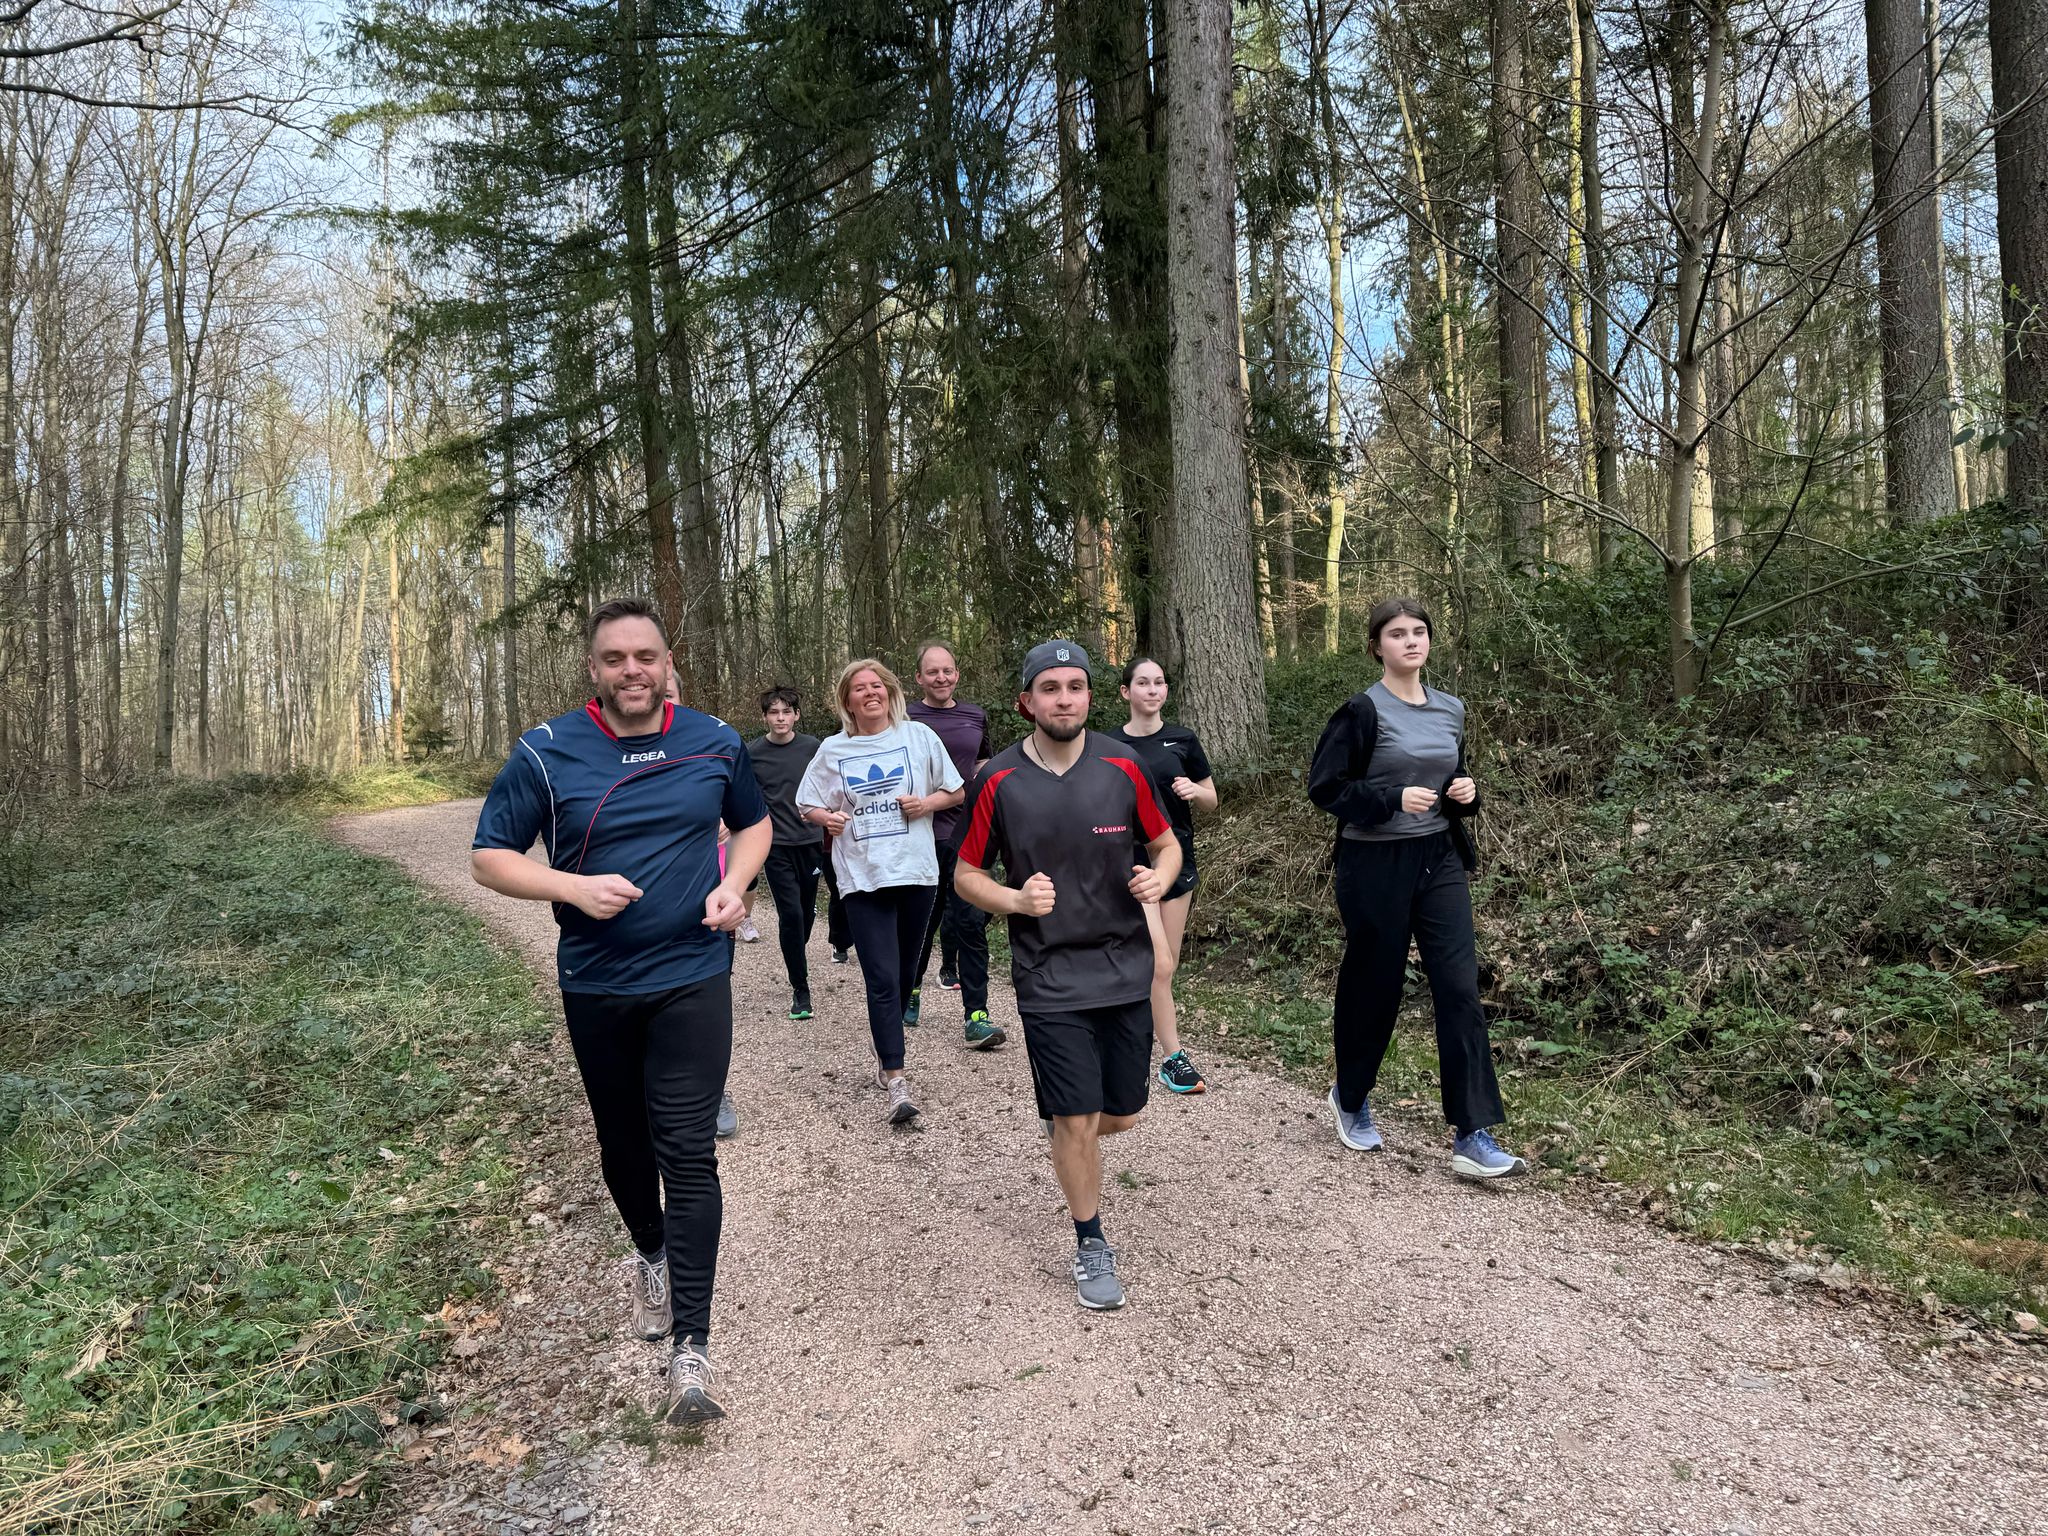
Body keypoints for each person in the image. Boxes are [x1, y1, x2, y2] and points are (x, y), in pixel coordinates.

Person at [470, 597, 770, 1424]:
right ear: (593, 669)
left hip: (692, 975)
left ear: (668, 664)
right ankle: (650, 1251)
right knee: (624, 1145)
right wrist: (571, 887)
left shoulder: (715, 740)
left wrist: (734, 885)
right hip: (596, 983)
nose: (632, 671)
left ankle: (692, 1350)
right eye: (615, 659)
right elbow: (489, 858)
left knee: (689, 1152)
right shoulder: (547, 751)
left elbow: (752, 826)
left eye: (645, 657)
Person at [954, 641, 1180, 1310]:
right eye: (1049, 688)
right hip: (1048, 972)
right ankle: (1090, 1240)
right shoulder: (998, 778)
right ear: (1026, 701)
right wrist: (1016, 900)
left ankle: (1066, 1127)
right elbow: (966, 875)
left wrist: (1157, 878)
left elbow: (1166, 845)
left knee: (1123, 1114)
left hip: (1124, 965)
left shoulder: (1124, 765)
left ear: (1089, 696)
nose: (1063, 698)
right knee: (1078, 1119)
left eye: (1074, 686)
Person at [1306, 595, 1524, 1180]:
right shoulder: (1361, 711)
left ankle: (1472, 1133)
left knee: (1459, 987)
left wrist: (1466, 793)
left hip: (1439, 858)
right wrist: (1390, 799)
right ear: (1376, 646)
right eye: (1397, 633)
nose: (1410, 641)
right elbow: (1325, 788)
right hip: (1374, 863)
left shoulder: (1451, 709)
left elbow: (1454, 776)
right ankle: (1351, 1096)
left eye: (1419, 632)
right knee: (1374, 985)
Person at [796, 658, 964, 1124]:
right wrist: (826, 818)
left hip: (916, 871)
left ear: (890, 692)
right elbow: (806, 802)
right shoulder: (833, 749)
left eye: (876, 685)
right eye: (859, 688)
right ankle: (896, 1077)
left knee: (906, 972)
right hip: (862, 876)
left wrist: (926, 803)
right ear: (847, 701)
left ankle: (884, 1046)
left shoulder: (919, 737)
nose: (870, 692)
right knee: (882, 979)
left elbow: (955, 791)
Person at [1109, 657, 1216, 1095]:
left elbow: (1211, 799)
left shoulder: (1183, 739)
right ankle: (1172, 1056)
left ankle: (1136, 1037)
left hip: (1178, 861)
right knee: (1160, 962)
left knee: (1163, 967)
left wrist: (1195, 791)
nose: (1152, 690)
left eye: (1159, 683)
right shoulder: (1109, 745)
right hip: (1133, 864)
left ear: (1166, 691)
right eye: (1143, 683)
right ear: (1126, 692)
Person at [905, 640, 1004, 1050]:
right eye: (932, 672)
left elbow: (982, 764)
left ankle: (976, 1015)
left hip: (969, 833)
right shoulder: (905, 717)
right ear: (919, 678)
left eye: (947, 670)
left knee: (970, 923)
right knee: (922, 921)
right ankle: (910, 991)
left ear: (957, 675)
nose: (941, 678)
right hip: (920, 833)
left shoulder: (974, 715)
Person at [746, 687, 826, 1022]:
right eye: (774, 712)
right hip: (775, 845)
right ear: (765, 716)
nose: (780, 718)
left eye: (786, 712)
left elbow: (829, 785)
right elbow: (745, 798)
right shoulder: (752, 753)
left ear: (796, 715)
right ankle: (800, 989)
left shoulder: (813, 747)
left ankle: (797, 945)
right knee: (790, 915)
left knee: (804, 916)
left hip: (811, 841)